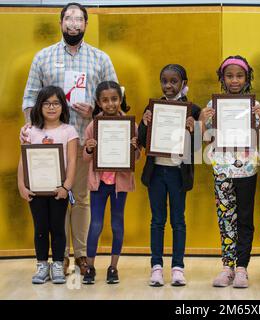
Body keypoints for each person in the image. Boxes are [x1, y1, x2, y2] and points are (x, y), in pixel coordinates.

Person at [21, 2, 118, 275]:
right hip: (50, 145)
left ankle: (82, 256)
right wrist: (30, 128)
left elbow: (116, 99)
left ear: (86, 24)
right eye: (68, 19)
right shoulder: (43, 57)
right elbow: (30, 97)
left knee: (82, 199)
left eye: (79, 19)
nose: (73, 24)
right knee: (57, 200)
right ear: (60, 22)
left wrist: (95, 110)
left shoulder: (101, 59)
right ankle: (61, 256)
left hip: (85, 142)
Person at [199, 55, 260, 288]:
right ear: (222, 78)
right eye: (229, 76)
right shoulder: (212, 106)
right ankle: (227, 266)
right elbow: (203, 140)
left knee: (245, 218)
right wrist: (202, 121)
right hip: (222, 170)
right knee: (226, 217)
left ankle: (242, 268)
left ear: (247, 78)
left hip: (247, 170)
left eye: (239, 75)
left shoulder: (255, 106)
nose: (234, 80)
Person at [138, 64, 200, 287]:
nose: (168, 85)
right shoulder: (152, 107)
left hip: (177, 174)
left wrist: (194, 130)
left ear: (183, 83)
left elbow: (197, 149)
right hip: (156, 172)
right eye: (164, 80)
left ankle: (177, 267)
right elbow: (143, 141)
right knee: (157, 221)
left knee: (178, 221)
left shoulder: (193, 110)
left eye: (174, 81)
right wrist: (144, 124)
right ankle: (156, 267)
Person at [17, 86, 78, 284]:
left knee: (58, 228)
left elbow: (72, 161)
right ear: (39, 106)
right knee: (40, 227)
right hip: (35, 190)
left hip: (58, 190)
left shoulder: (68, 130)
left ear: (63, 106)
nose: (51, 107)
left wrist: (66, 187)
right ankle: (42, 265)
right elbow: (23, 160)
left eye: (56, 103)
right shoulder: (30, 131)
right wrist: (22, 186)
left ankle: (58, 264)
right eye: (46, 103)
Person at [81, 81, 139, 285]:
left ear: (120, 99)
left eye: (114, 99)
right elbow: (86, 158)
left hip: (119, 185)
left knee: (117, 224)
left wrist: (134, 148)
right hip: (98, 185)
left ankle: (113, 267)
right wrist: (89, 148)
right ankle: (89, 266)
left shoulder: (131, 125)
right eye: (105, 100)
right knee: (95, 225)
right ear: (98, 102)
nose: (110, 103)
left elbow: (137, 157)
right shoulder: (92, 126)